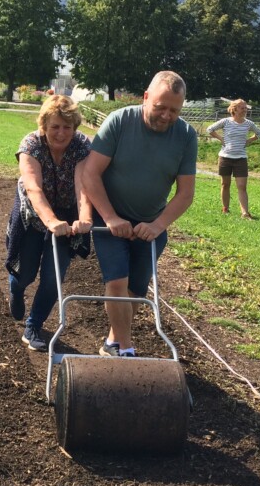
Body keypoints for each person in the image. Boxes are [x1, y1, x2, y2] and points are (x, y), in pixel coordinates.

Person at [82, 71, 197, 358]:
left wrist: (157, 225)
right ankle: (126, 349)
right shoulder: (120, 122)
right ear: (146, 97)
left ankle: (112, 343)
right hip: (110, 219)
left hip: (151, 223)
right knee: (117, 282)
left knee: (135, 291)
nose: (167, 116)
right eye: (160, 107)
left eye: (174, 110)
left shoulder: (185, 136)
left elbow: (185, 194)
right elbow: (90, 173)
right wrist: (109, 217)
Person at [5, 95, 93, 351]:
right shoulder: (31, 143)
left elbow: (83, 187)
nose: (61, 133)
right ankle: (17, 288)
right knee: (26, 271)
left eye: (67, 127)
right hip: (32, 214)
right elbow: (33, 188)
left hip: (65, 215)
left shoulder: (81, 146)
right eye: (55, 126)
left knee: (54, 277)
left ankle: (34, 324)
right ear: (44, 125)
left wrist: (85, 217)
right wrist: (50, 220)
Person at [207, 99, 260, 219]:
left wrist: (249, 140)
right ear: (234, 109)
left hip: (241, 158)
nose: (245, 110)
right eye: (242, 108)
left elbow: (259, 133)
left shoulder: (249, 124)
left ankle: (245, 213)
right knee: (225, 184)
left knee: (242, 186)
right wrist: (221, 139)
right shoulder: (226, 122)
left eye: (246, 108)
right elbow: (210, 129)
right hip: (225, 158)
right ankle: (225, 208)